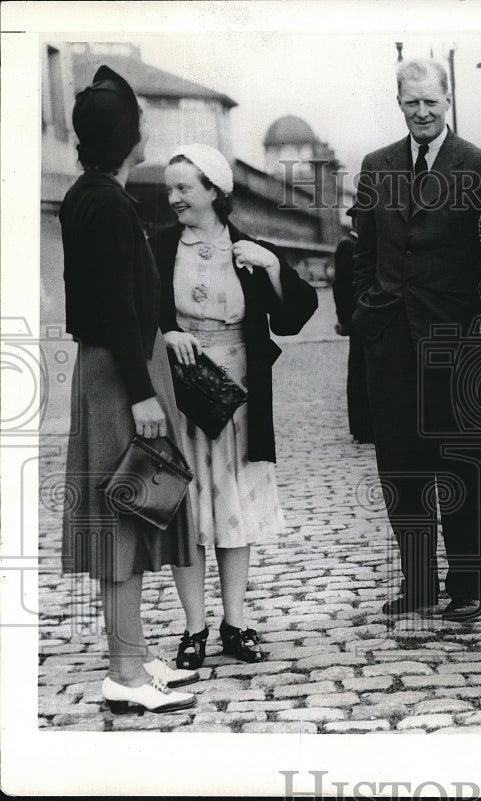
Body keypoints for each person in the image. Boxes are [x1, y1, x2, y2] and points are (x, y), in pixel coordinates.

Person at [60, 66, 198, 714]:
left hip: (119, 368)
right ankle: (124, 672)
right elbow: (116, 307)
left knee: (138, 514)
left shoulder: (91, 194)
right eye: (138, 122)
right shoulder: (109, 204)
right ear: (125, 137)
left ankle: (135, 656)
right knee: (125, 520)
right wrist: (144, 392)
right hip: (122, 376)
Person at [149, 144, 317, 668]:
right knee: (188, 508)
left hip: (239, 398)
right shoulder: (156, 248)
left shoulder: (249, 250)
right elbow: (134, 310)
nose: (174, 197)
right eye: (170, 188)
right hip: (181, 395)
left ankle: (235, 622)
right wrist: (168, 331)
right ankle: (193, 628)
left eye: (185, 187)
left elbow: (294, 316)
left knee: (234, 508)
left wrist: (271, 268)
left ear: (215, 192)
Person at [353, 58, 481, 621]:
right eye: (411, 102)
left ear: (448, 101)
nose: (421, 112)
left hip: (457, 339)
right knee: (401, 466)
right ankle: (418, 582)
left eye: (431, 102)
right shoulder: (377, 166)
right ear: (399, 102)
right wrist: (367, 312)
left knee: (461, 464)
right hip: (389, 341)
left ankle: (469, 584)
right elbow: (363, 253)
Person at [330, 226, 374, 443]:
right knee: (359, 373)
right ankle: (362, 427)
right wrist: (345, 320)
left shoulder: (358, 246)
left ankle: (362, 427)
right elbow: (341, 287)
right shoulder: (348, 247)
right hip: (357, 320)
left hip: (361, 319)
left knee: (361, 371)